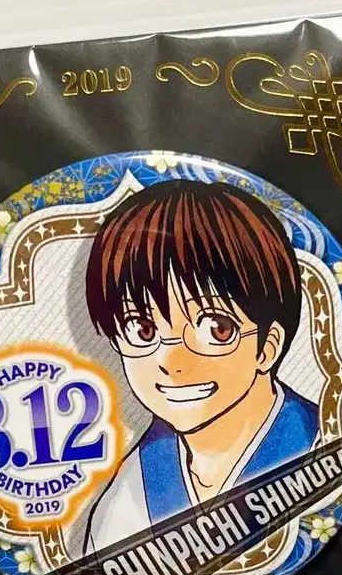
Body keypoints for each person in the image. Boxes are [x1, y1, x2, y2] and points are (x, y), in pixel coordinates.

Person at [83, 179, 318, 554]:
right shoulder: (128, 496)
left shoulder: (322, 447)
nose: (171, 362)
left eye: (216, 328)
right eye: (143, 329)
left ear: (268, 346)